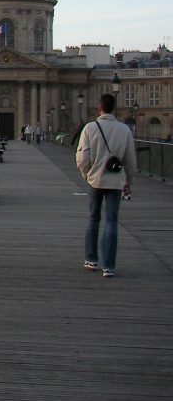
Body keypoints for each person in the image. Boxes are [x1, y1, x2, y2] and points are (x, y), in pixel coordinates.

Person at [75, 93, 136, 278]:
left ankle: (91, 260)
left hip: (95, 180)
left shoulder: (90, 127)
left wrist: (87, 175)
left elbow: (81, 158)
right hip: (115, 181)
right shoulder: (124, 129)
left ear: (99, 108)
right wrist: (128, 181)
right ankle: (108, 266)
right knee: (111, 222)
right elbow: (131, 160)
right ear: (114, 109)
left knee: (93, 219)